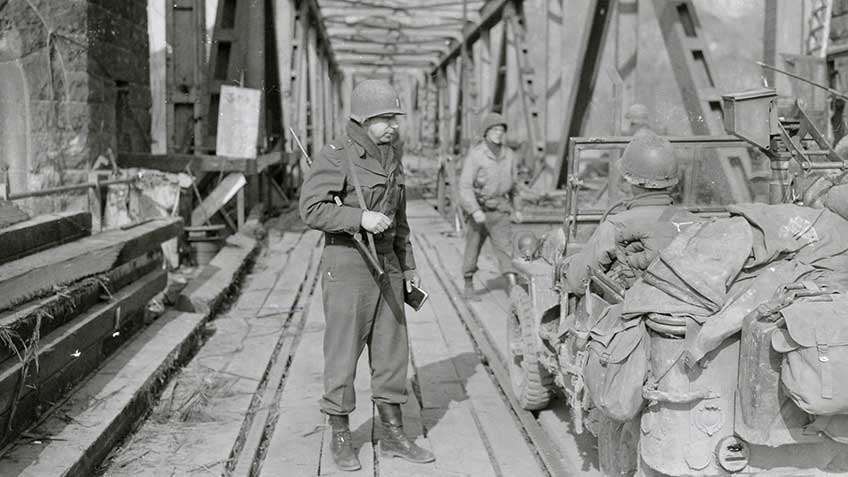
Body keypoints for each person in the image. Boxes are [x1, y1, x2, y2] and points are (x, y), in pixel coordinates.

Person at [299, 79, 434, 471]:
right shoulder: (336, 156)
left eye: (395, 117)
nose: (393, 124)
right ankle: (341, 436)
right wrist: (359, 217)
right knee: (343, 352)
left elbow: (401, 219)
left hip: (388, 265)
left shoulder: (392, 156)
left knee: (393, 350)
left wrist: (409, 266)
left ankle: (392, 434)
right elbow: (311, 209)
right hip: (349, 264)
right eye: (385, 118)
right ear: (363, 119)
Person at [564, 131, 698, 295]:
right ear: (671, 181)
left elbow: (577, 283)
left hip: (633, 313)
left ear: (630, 180)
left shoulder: (616, 225)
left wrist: (567, 267)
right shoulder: (693, 222)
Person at [458, 112, 522, 299]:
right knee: (473, 247)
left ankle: (513, 289)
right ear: (486, 132)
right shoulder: (476, 155)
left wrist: (517, 209)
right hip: (480, 209)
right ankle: (468, 285)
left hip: (500, 210)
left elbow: (515, 186)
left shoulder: (509, 155)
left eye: (501, 130)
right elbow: (465, 186)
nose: (498, 133)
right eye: (494, 130)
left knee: (505, 249)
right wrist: (475, 210)